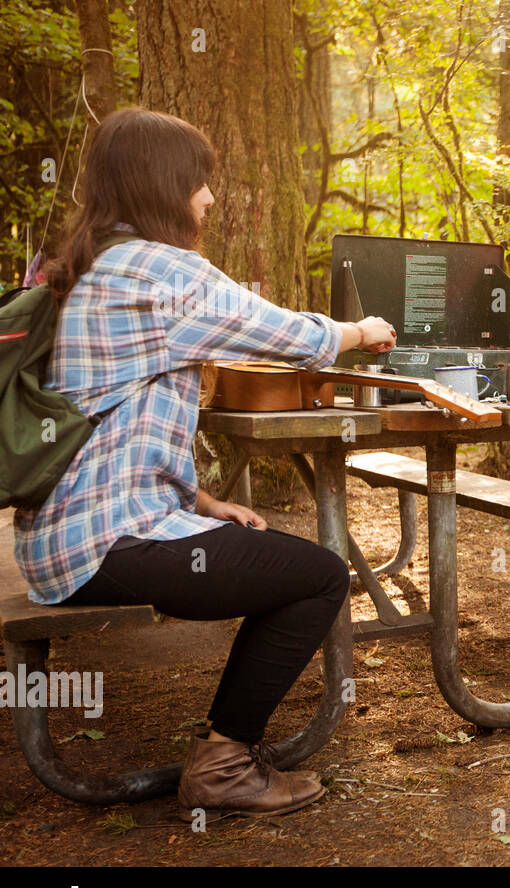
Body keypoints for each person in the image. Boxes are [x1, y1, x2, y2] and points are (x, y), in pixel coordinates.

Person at [13, 107, 397, 816]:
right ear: (164, 184)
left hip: (63, 537)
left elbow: (120, 425)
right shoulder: (158, 270)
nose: (210, 199)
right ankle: (224, 765)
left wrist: (199, 503)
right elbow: (278, 332)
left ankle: (227, 756)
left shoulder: (97, 263)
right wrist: (360, 330)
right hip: (100, 546)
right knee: (318, 577)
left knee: (277, 557)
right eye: (200, 183)